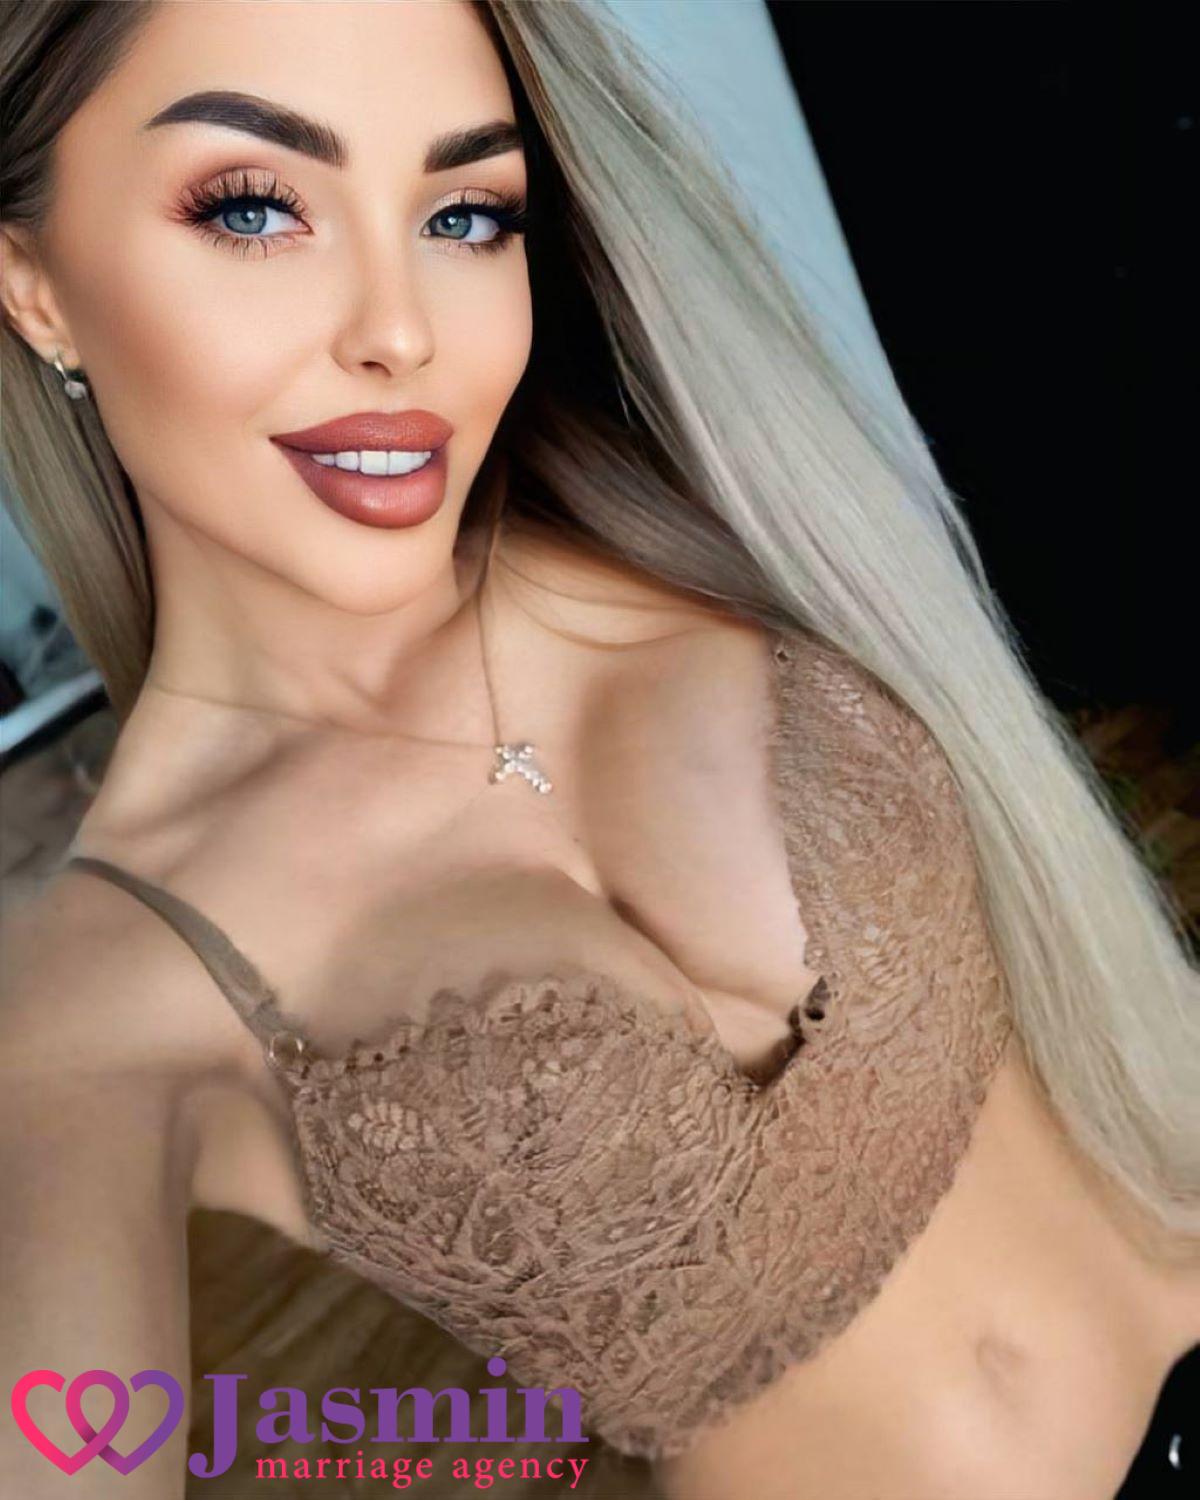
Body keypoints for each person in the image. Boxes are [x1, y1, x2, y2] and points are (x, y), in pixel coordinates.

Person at [1, 3, 1197, 1497]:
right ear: (33, 284)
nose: (400, 330)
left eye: (463, 213)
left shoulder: (696, 513)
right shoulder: (99, 1001)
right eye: (255, 208)